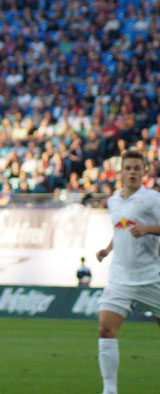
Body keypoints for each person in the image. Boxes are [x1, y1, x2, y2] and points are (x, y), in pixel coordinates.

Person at [94, 149, 160, 394]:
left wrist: (149, 229)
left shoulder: (152, 198)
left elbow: (145, 228)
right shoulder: (114, 200)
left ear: (144, 172)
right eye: (128, 168)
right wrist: (108, 249)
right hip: (120, 278)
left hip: (151, 277)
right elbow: (120, 228)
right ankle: (109, 390)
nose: (132, 172)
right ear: (120, 172)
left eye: (137, 168)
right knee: (105, 329)